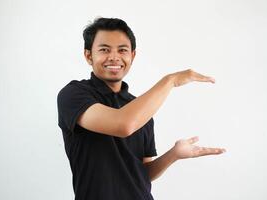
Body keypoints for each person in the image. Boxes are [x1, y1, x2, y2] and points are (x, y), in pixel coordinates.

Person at [57, 17, 226, 200]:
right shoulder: (74, 94)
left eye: (122, 50)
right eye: (104, 50)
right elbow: (123, 124)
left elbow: (143, 173)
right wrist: (170, 80)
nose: (114, 57)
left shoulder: (140, 108)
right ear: (89, 55)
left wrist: (173, 154)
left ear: (133, 56)